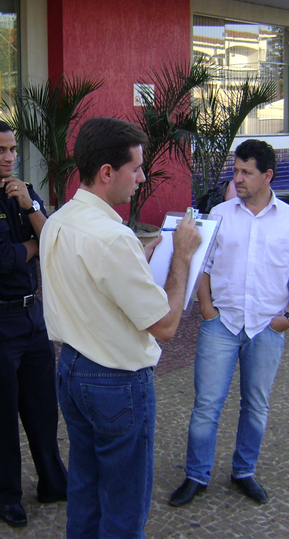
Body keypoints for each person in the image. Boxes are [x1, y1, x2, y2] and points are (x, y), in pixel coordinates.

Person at [40, 117, 202, 538]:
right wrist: (181, 257)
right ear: (107, 172)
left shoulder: (57, 221)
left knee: (86, 488)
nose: (142, 177)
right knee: (124, 504)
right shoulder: (113, 238)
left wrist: (139, 264)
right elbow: (165, 326)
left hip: (71, 369)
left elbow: (94, 291)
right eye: (136, 168)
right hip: (115, 380)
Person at [169, 139, 289, 507]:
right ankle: (196, 475)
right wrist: (206, 306)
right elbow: (201, 265)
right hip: (222, 324)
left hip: (267, 328)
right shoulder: (220, 214)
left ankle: (244, 472)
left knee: (255, 405)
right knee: (206, 404)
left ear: (267, 175)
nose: (238, 178)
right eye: (235, 171)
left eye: (245, 172)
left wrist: (288, 318)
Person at [0, 119, 67, 528]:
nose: (8, 157)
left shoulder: (23, 192)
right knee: (1, 415)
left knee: (43, 406)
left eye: (13, 149)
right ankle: (6, 495)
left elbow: (54, 241)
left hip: (32, 316)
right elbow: (0, 261)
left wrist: (31, 209)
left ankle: (53, 482)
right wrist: (37, 244)